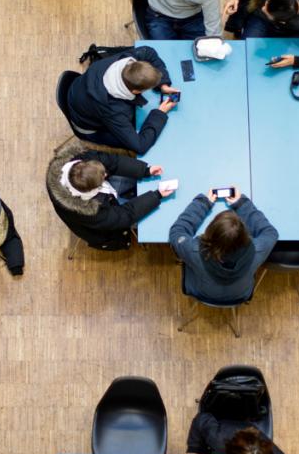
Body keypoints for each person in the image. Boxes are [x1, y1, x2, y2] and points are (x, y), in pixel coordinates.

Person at [46, 139, 176, 250]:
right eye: (103, 177)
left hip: (107, 196)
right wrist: (156, 196)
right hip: (108, 222)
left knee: (137, 180)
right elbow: (124, 215)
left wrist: (146, 170)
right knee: (154, 217)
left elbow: (112, 161)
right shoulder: (88, 212)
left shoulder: (80, 159)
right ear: (91, 189)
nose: (106, 174)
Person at [170, 189, 278, 303]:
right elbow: (271, 233)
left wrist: (203, 204)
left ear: (210, 231)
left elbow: (176, 232)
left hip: (202, 292)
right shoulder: (258, 250)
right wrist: (242, 204)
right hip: (240, 296)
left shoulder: (194, 250)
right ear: (245, 234)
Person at [66, 46, 178, 154]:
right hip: (87, 126)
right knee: (136, 131)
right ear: (135, 91)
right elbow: (140, 145)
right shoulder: (113, 110)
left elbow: (148, 51)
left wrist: (163, 84)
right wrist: (160, 113)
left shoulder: (125, 61)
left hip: (79, 90)